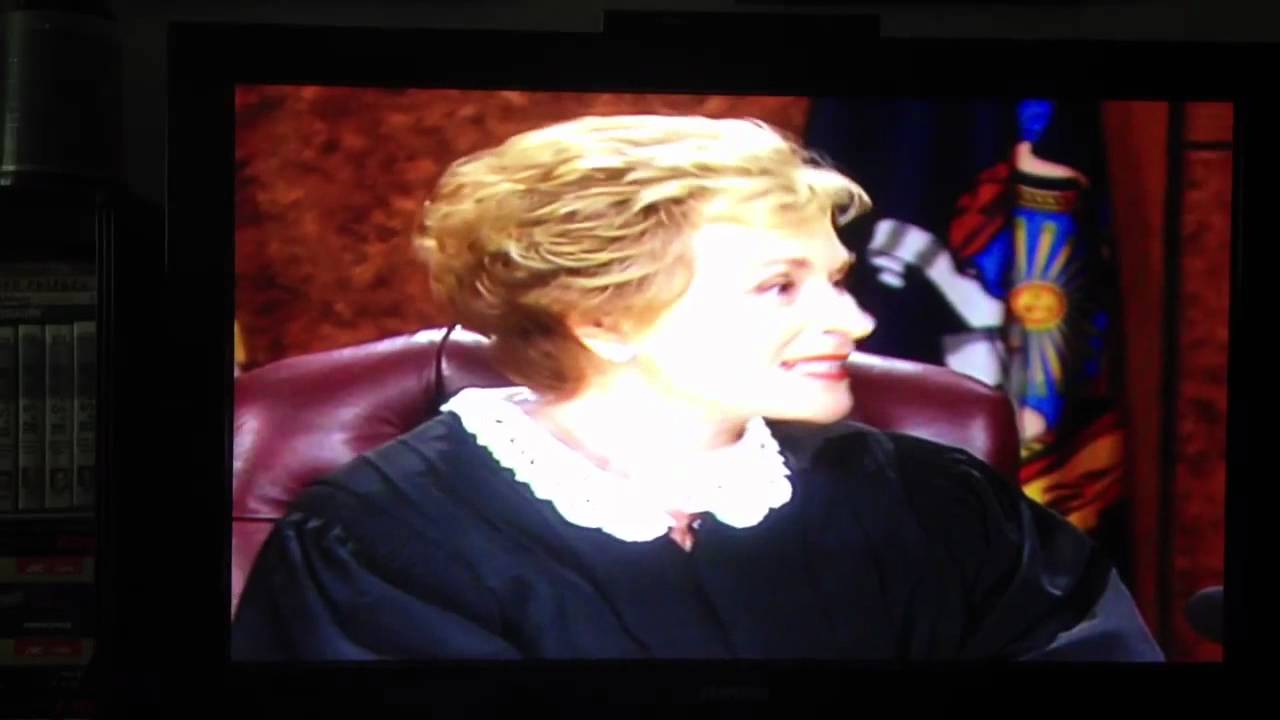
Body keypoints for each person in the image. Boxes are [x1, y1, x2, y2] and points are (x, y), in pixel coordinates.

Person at [230, 114, 1163, 661]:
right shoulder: (377, 544)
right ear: (602, 320)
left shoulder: (938, 503)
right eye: (778, 287)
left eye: (836, 279)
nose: (855, 322)